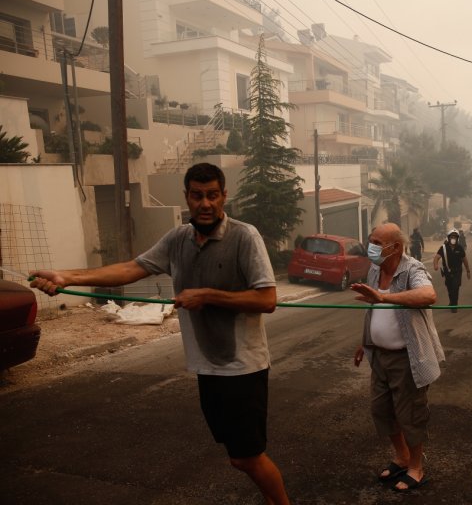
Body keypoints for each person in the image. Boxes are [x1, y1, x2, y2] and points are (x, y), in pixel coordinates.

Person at [29, 163, 290, 505]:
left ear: (224, 196)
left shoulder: (245, 236)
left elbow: (267, 299)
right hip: (207, 368)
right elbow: (130, 269)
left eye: (213, 195)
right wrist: (67, 277)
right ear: (187, 197)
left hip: (242, 368)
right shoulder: (178, 238)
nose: (205, 203)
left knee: (247, 457)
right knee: (237, 456)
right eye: (198, 196)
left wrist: (206, 295)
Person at [351, 223, 443, 492]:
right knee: (382, 411)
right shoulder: (375, 269)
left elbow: (429, 295)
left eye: (378, 242)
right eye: (371, 240)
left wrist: (383, 295)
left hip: (407, 358)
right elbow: (374, 310)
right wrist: (364, 340)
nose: (372, 246)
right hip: (378, 355)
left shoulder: (412, 268)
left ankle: (416, 467)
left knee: (410, 415)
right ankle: (401, 457)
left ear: (396, 247)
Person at [433, 228, 470, 313]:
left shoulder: (459, 248)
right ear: (448, 238)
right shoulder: (443, 248)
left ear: (457, 238)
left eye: (455, 237)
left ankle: (454, 305)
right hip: (447, 272)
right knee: (449, 288)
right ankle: (451, 302)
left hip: (457, 271)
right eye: (452, 237)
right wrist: (435, 265)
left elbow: (464, 259)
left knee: (455, 288)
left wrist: (468, 270)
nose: (453, 238)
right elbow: (437, 257)